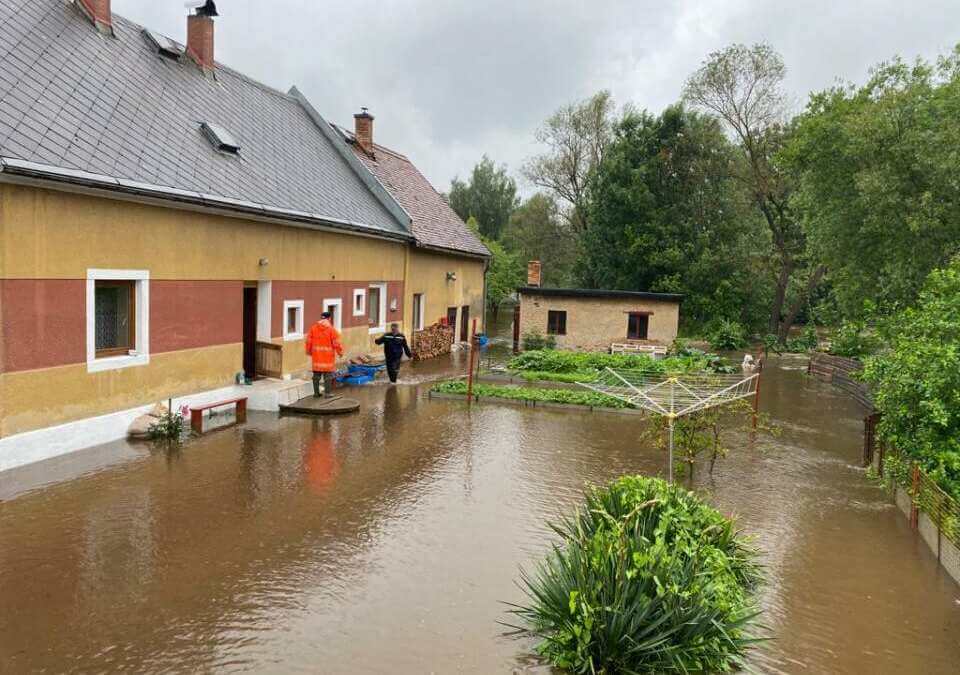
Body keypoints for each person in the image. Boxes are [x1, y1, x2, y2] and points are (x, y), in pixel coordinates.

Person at [305, 312, 343, 397]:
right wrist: (340, 352)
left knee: (316, 376)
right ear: (329, 318)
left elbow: (308, 341)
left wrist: (309, 351)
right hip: (327, 358)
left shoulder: (313, 328)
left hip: (317, 357)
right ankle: (327, 393)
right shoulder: (331, 329)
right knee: (328, 376)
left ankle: (316, 393)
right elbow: (336, 343)